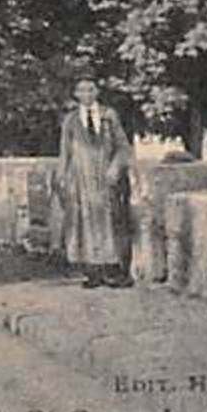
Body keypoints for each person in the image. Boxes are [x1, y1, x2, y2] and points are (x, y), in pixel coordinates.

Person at [57, 78, 133, 289]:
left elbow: (123, 147)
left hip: (104, 176)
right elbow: (65, 152)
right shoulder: (71, 120)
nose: (87, 94)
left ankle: (113, 270)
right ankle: (92, 271)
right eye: (81, 90)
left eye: (91, 89)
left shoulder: (109, 116)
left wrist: (115, 168)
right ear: (76, 94)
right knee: (84, 221)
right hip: (81, 177)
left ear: (97, 92)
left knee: (109, 220)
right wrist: (62, 177)